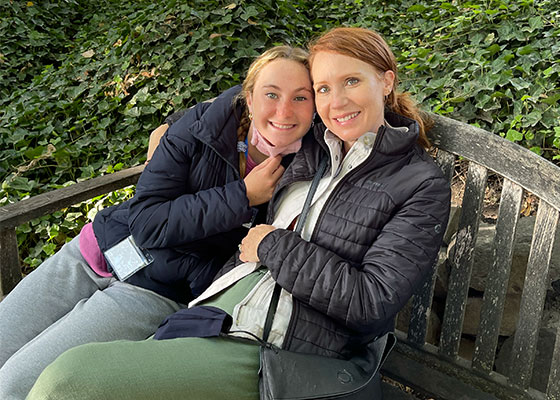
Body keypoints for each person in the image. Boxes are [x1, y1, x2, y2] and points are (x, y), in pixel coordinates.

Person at [26, 27, 451, 400]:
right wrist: (173, 129)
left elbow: (371, 300)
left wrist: (270, 244)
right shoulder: (319, 142)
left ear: (387, 81)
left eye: (352, 81)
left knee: (64, 379)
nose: (335, 101)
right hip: (211, 310)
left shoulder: (418, 183)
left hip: (276, 345)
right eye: (323, 88)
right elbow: (262, 98)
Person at [0, 45, 315, 399]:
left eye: (301, 98)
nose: (284, 110)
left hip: (154, 291)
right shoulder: (200, 126)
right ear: (250, 96)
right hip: (95, 252)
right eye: (271, 94)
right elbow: (147, 220)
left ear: (316, 104)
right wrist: (240, 196)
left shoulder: (312, 165)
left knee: (15, 384)